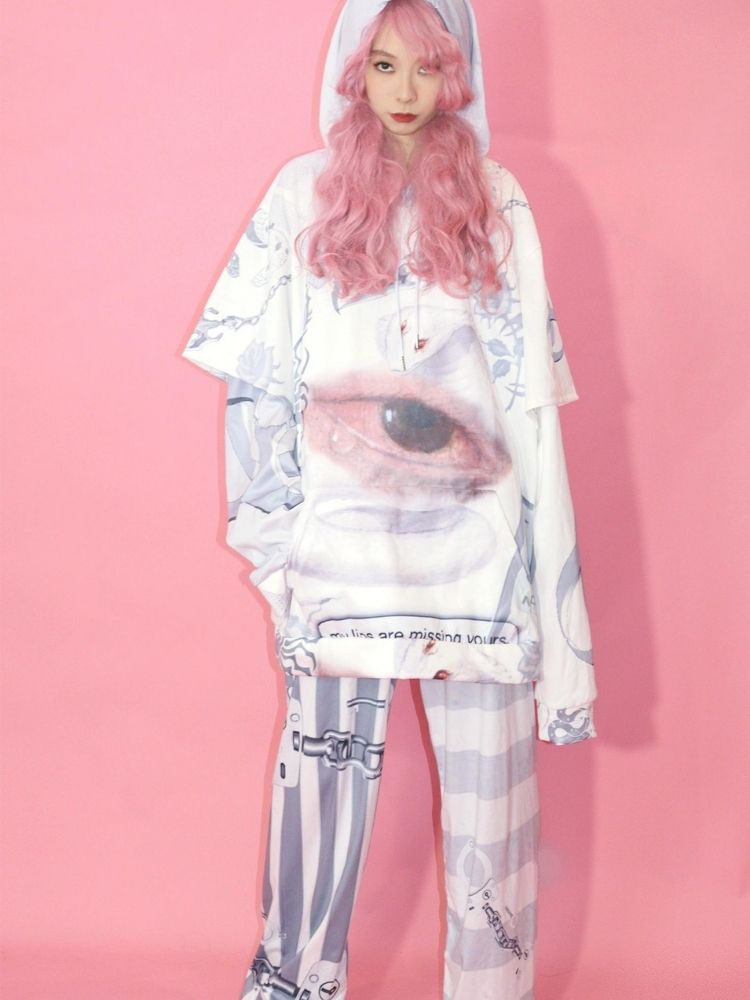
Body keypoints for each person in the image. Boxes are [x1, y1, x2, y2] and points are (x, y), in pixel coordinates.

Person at [180, 1, 599, 997]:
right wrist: (278, 550)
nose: (405, 92)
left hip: (479, 580)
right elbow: (256, 393)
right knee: (311, 840)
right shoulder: (304, 195)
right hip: (343, 574)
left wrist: (555, 612)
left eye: (426, 68)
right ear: (353, 68)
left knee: (494, 846)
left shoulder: (498, 200)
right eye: (383, 65)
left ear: (457, 72)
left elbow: (532, 413)